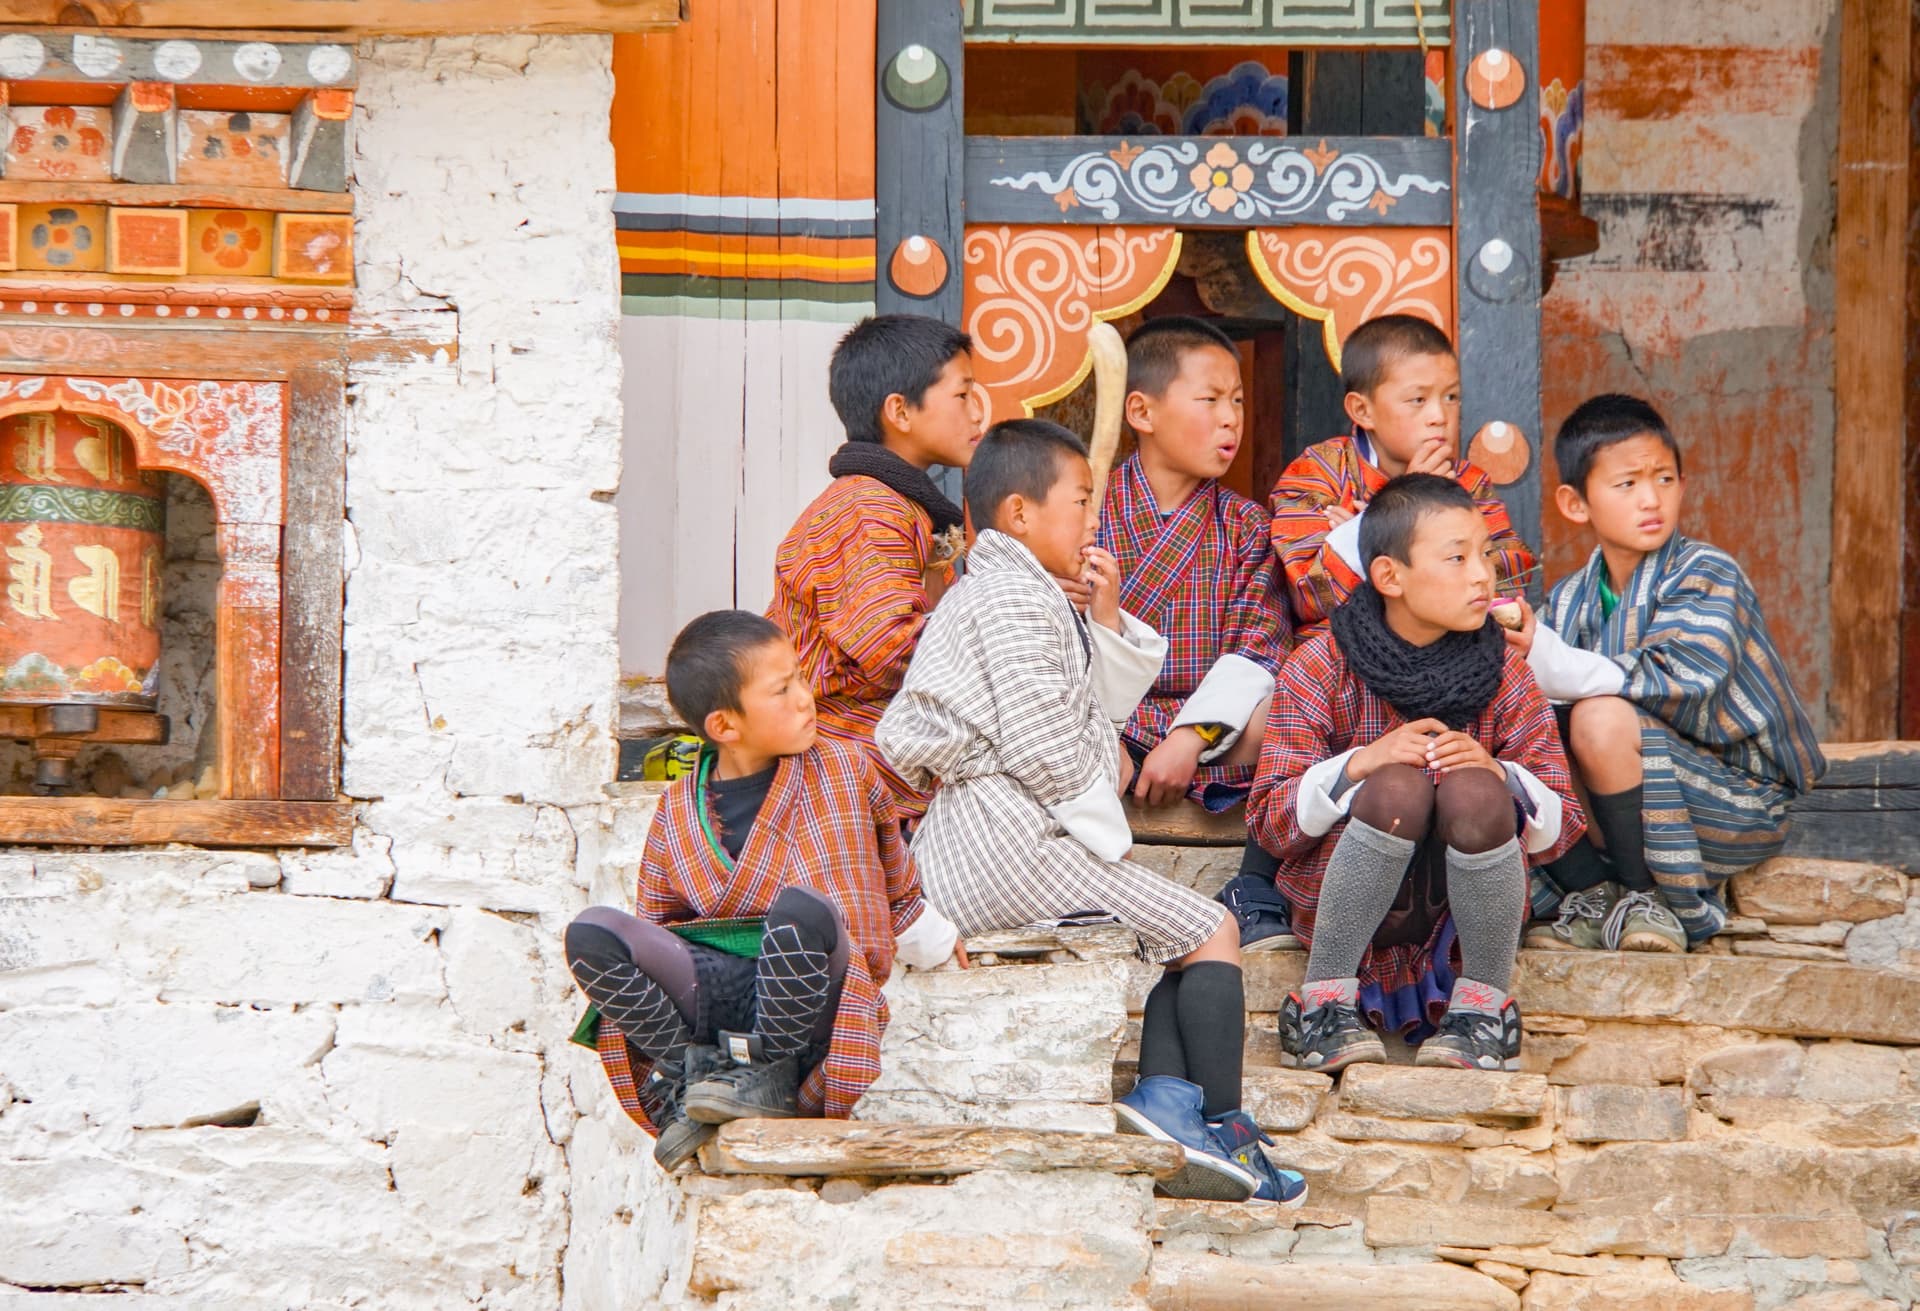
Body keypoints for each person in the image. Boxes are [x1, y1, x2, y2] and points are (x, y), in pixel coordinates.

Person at [877, 419, 1306, 1207]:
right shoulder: (1011, 597)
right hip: (1001, 840)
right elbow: (1049, 748)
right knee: (1212, 929)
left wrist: (1102, 620)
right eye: (1079, 502)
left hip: (1004, 833)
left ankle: (1175, 1106)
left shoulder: (1013, 590)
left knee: (1182, 930)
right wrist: (1104, 796)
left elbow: (1082, 711)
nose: (1092, 523)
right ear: (1018, 515)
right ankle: (1218, 1120)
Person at [564, 611, 961, 1172]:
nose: (805, 698)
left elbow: (896, 878)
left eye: (801, 677)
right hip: (720, 997)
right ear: (725, 726)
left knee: (799, 912)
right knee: (595, 934)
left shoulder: (847, 771)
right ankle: (692, 1073)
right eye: (782, 689)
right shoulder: (678, 809)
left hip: (806, 992)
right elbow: (661, 928)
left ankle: (766, 1076)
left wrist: (931, 932)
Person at [1247, 474, 1581, 1074]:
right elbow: (1271, 822)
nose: (1483, 574)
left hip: (1461, 916)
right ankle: (1323, 1001)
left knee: (1478, 788)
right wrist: (1360, 763)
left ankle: (1481, 1008)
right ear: (1390, 577)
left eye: (1485, 554)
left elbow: (1563, 826)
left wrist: (1501, 774)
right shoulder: (1322, 662)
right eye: (1457, 558)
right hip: (1339, 895)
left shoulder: (1506, 671)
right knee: (1397, 785)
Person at [1505, 394, 1825, 953]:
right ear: (1575, 504)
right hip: (1634, 800)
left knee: (1600, 717)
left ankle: (1646, 898)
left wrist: (1551, 661)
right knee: (1513, 730)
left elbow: (1686, 678)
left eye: (1665, 478)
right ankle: (1596, 893)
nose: (1651, 499)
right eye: (1626, 484)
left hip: (1735, 802)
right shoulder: (1571, 598)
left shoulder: (1706, 572)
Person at [767, 314, 984, 820]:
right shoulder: (869, 509)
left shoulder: (897, 504)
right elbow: (893, 651)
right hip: (842, 746)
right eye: (961, 395)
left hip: (869, 736)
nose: (978, 415)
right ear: (900, 412)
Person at [1097, 316, 1288, 813]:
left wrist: (1192, 737)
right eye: (1211, 400)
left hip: (1211, 732)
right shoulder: (1084, 512)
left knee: (1292, 707)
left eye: (1238, 400)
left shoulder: (1246, 525)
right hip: (1100, 723)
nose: (1231, 418)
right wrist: (1096, 730)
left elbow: (1257, 652)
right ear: (1142, 411)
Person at [1268, 314, 1534, 638]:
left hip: (1450, 661)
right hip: (1340, 664)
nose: (1439, 417)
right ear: (1362, 410)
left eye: (1450, 397)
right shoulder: (1318, 472)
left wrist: (1364, 529)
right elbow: (1307, 593)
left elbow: (1508, 577)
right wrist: (1396, 510)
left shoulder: (1468, 483)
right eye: (1418, 400)